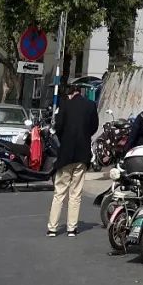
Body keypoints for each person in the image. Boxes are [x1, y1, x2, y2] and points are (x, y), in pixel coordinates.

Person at [47, 85, 98, 238]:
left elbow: (58, 126)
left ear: (69, 94)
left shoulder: (64, 105)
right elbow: (94, 127)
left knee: (59, 192)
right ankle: (72, 228)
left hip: (66, 155)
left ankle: (52, 228)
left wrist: (65, 138)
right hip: (82, 154)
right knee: (76, 193)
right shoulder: (90, 105)